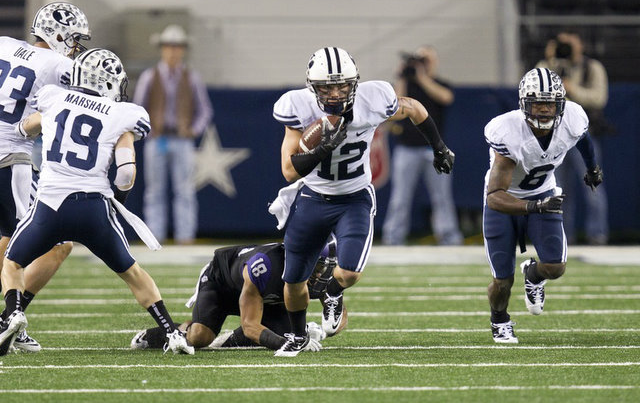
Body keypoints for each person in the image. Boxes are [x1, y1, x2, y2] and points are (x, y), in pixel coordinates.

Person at [0, 48, 193, 356]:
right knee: (132, 272)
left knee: (12, 262)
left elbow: (23, 129)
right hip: (93, 208)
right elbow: (126, 173)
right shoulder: (122, 114)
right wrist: (118, 200)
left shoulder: (53, 97)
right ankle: (171, 332)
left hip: (50, 205)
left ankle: (12, 314)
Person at [269, 46, 455, 356]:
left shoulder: (374, 98)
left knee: (350, 272)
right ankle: (298, 335)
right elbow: (289, 171)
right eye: (327, 86)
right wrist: (319, 150)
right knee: (293, 281)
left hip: (354, 196)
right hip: (313, 196)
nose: (336, 93)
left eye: (342, 84)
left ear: (355, 82)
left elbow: (414, 109)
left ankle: (331, 293)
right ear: (312, 87)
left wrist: (439, 147)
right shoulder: (299, 106)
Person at [483, 67, 603, 343]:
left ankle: (533, 275)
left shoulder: (573, 118)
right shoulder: (509, 132)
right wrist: (533, 208)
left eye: (550, 103)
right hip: (504, 200)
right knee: (502, 281)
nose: (545, 110)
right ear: (525, 104)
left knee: (555, 267)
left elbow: (583, 139)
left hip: (542, 193)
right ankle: (499, 319)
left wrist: (592, 167)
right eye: (538, 103)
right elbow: (494, 196)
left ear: (560, 104)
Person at [0, 1, 91, 353]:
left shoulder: (5, 44)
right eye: (73, 39)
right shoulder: (61, 64)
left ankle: (10, 316)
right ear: (59, 34)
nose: (75, 46)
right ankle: (12, 318)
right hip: (10, 158)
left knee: (9, 241)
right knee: (55, 242)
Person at [130, 241, 343, 352]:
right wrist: (284, 344)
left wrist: (328, 328)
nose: (319, 274)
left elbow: (338, 312)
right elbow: (250, 325)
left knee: (288, 331)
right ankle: (160, 334)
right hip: (222, 285)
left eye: (324, 267)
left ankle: (231, 339)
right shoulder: (265, 267)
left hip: (264, 297)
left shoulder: (317, 278)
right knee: (200, 338)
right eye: (317, 266)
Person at [133, 24, 213, 245]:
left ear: (183, 50)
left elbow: (204, 110)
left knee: (185, 190)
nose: (173, 51)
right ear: (162, 48)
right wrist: (148, 131)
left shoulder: (192, 77)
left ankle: (184, 237)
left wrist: (194, 130)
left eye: (177, 47)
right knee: (154, 191)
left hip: (182, 140)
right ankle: (154, 237)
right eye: (169, 46)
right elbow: (138, 109)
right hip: (157, 139)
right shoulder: (150, 76)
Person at [382, 46, 463, 246]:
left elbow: (446, 97)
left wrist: (422, 77)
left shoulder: (439, 84)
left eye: (426, 60)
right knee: (400, 197)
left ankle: (449, 237)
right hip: (407, 148)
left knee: (442, 197)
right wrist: (402, 76)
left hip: (434, 149)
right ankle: (393, 237)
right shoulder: (407, 84)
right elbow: (394, 105)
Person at [536, 32, 610, 245]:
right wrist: (550, 60)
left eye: (570, 42)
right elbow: (534, 87)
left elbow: (599, 98)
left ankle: (597, 234)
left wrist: (572, 89)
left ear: (580, 43)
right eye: (562, 43)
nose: (566, 47)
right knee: (557, 188)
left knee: (592, 184)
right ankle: (562, 235)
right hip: (555, 137)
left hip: (582, 135)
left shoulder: (592, 67)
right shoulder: (550, 66)